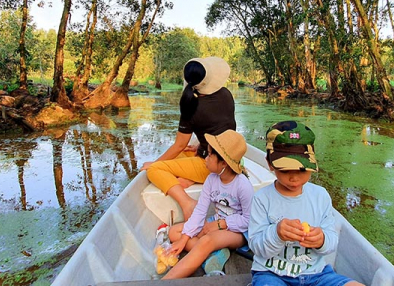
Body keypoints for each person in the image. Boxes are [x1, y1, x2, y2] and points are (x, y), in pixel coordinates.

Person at [247, 121, 365, 286]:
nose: (294, 177)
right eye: (285, 169)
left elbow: (331, 241)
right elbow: (257, 247)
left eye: (302, 169)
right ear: (269, 163)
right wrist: (276, 233)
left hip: (316, 275)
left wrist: (321, 239)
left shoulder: (320, 196)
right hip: (272, 274)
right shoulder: (262, 199)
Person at [142, 56, 236, 220]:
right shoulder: (226, 94)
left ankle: (187, 202)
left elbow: (179, 145)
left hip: (213, 165)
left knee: (154, 170)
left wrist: (156, 163)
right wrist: (200, 146)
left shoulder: (191, 105)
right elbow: (220, 126)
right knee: (184, 152)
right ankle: (189, 178)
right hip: (233, 158)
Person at [160, 129, 254, 279]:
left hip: (238, 231)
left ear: (223, 162)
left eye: (210, 155)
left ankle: (165, 281)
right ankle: (214, 254)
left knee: (206, 240)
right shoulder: (211, 179)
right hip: (215, 222)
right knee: (174, 233)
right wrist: (184, 239)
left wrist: (220, 225)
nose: (205, 159)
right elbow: (200, 211)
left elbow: (248, 220)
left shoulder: (243, 186)